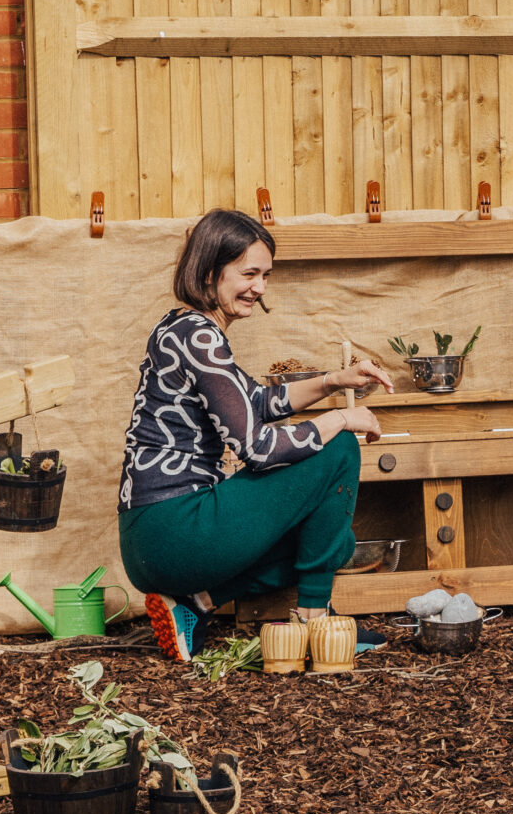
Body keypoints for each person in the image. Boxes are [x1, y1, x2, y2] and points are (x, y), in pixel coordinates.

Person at [118, 208, 396, 661]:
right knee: (339, 447)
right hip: (175, 528)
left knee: (333, 543)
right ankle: (315, 624)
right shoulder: (200, 337)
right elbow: (257, 449)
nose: (260, 288)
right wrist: (343, 420)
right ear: (210, 272)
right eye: (249, 273)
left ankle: (198, 601)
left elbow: (257, 403)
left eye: (266, 275)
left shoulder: (178, 326)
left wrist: (334, 380)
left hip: (149, 539)